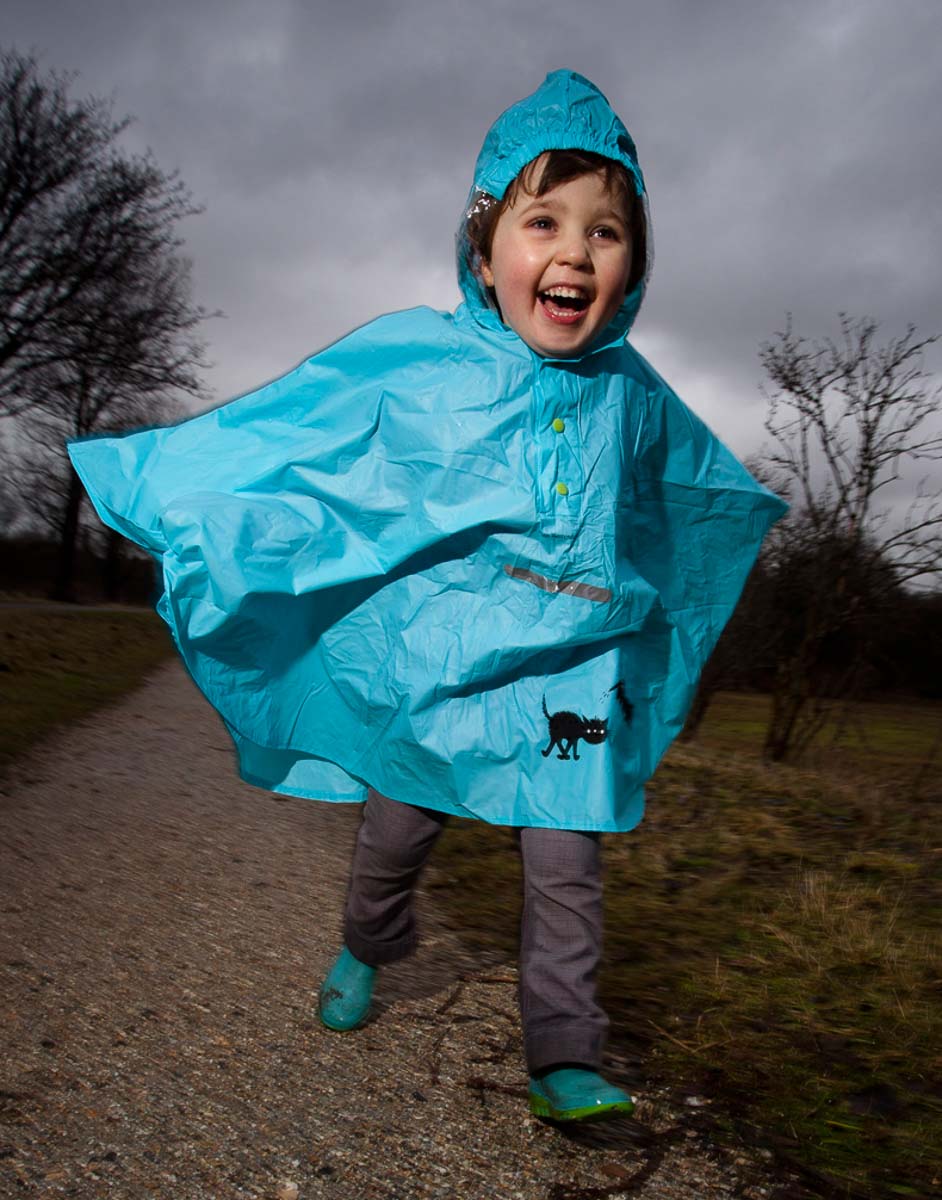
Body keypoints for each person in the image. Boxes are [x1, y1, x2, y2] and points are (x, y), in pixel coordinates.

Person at [69, 70, 786, 1123]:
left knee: (567, 863)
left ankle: (562, 1057)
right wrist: (183, 497)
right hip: (444, 666)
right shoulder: (431, 364)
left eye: (606, 232)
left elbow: (690, 502)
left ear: (633, 263)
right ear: (487, 247)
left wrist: (745, 514)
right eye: (545, 221)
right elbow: (318, 443)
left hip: (570, 673)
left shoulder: (637, 396)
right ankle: (368, 943)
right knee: (398, 831)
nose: (575, 254)